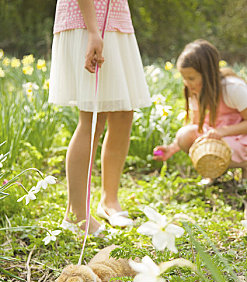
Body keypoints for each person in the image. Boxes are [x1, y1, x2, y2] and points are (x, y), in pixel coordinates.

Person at [49, 0, 151, 234]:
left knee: (124, 115)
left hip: (116, 21)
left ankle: (109, 201)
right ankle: (76, 215)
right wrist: (93, 32)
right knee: (93, 118)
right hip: (88, 22)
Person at [154, 39, 247, 179]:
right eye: (184, 78)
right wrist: (172, 148)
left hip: (239, 136)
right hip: (217, 135)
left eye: (191, 78)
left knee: (215, 147)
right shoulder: (196, 90)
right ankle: (212, 173)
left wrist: (222, 132)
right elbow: (196, 125)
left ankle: (244, 165)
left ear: (208, 75)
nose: (187, 83)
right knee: (185, 135)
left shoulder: (232, 89)